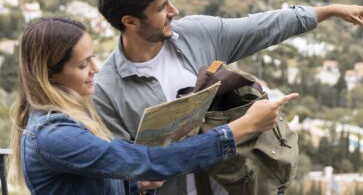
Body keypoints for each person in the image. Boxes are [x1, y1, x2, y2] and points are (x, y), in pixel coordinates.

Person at [94, 0, 363, 195]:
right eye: (161, 8)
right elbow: (115, 168)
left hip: (227, 182)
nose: (174, 12)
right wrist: (141, 181)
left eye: (169, 2)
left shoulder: (197, 35)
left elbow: (261, 27)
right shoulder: (106, 89)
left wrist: (327, 11)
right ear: (129, 21)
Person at [8, 17, 299, 195]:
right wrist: (241, 128)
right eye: (83, 64)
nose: (96, 69)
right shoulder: (53, 135)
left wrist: (137, 185)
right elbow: (145, 161)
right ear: (49, 74)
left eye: (93, 58)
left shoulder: (59, 122)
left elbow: (96, 182)